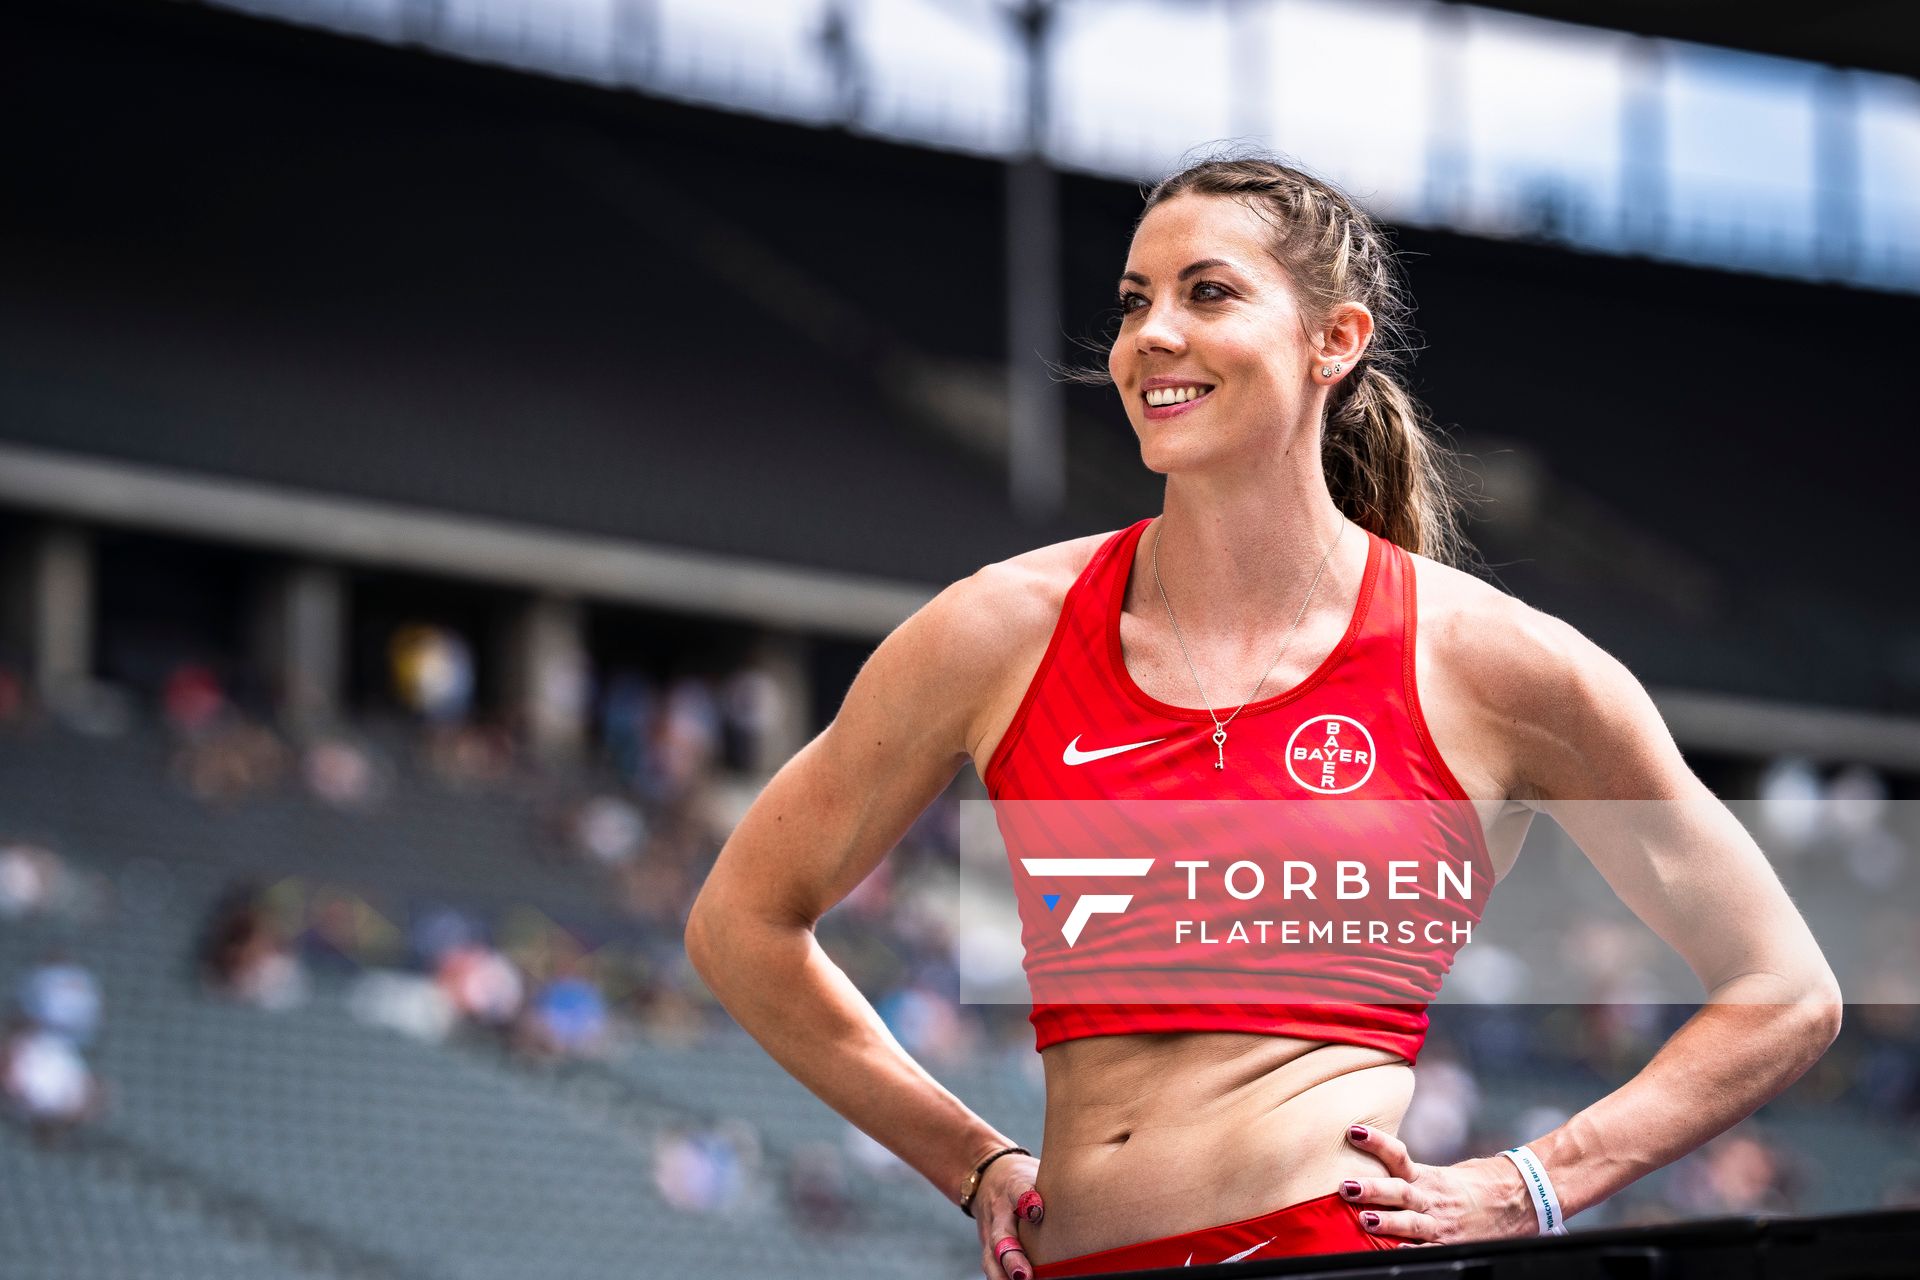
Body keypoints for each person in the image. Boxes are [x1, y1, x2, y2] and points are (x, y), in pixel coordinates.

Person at [684, 155, 1842, 1278]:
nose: (1150, 335)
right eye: (1134, 300)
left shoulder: (1501, 664)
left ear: (1335, 340)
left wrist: (1530, 1181)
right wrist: (970, 1158)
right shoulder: (998, 628)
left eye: (1208, 292)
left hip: (1330, 1256)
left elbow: (1784, 988)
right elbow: (743, 922)